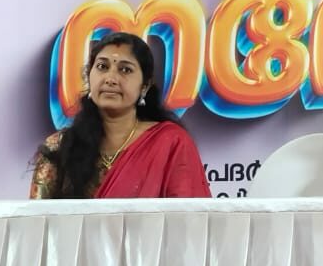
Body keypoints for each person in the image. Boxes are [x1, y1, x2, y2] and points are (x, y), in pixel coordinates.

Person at [31, 32, 211, 199]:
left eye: (125, 70)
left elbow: (188, 216)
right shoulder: (59, 148)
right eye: (102, 67)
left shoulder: (171, 143)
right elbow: (37, 218)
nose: (110, 79)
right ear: (89, 77)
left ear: (144, 86)